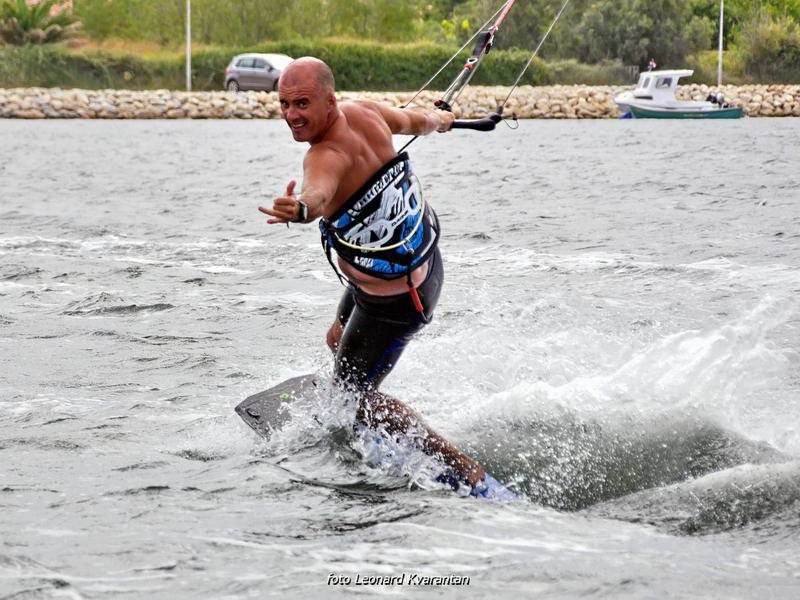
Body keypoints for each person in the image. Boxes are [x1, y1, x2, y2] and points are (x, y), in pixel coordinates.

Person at [258, 57, 485, 488]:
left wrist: (300, 210)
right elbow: (419, 121)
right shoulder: (366, 111)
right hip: (414, 270)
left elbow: (317, 195)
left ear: (329, 100)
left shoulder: (324, 156)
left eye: (302, 104)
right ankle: (366, 402)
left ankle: (463, 468)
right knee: (337, 337)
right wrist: (443, 120)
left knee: (354, 398)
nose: (291, 115)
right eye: (284, 104)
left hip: (396, 303)